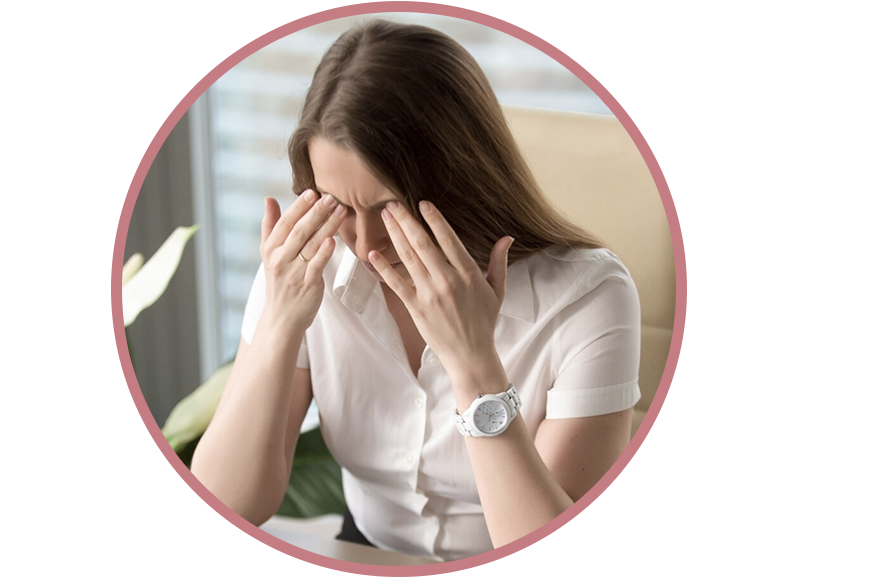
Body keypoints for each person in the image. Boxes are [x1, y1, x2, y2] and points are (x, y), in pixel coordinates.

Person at [191, 19, 641, 562]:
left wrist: (473, 363)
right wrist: (278, 324)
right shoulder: (308, 267)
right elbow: (226, 505)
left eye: (389, 207)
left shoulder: (589, 297)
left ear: (461, 178)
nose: (362, 244)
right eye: (337, 205)